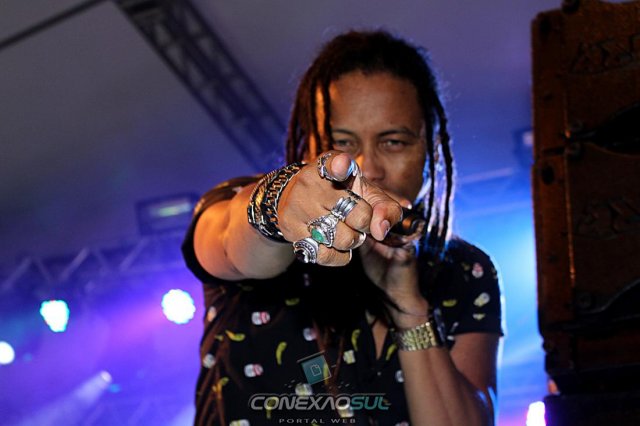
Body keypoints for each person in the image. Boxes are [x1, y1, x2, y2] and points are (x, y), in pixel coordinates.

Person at [182, 30, 503, 426]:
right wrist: (278, 207)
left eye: (393, 142)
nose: (368, 169)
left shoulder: (465, 270)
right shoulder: (244, 201)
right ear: (309, 149)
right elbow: (230, 239)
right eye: (342, 144)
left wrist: (408, 308)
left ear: (431, 152)